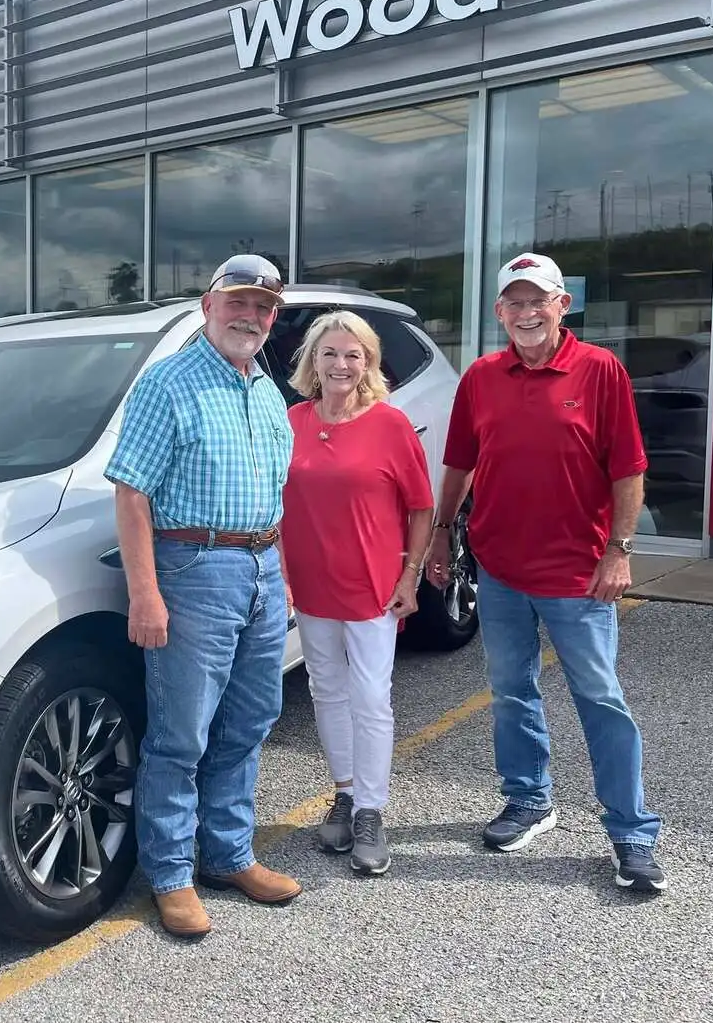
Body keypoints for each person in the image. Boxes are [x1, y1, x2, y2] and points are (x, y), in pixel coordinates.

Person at [426, 252, 666, 893]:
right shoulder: (481, 377)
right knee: (511, 691)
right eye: (515, 302)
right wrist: (442, 534)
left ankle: (632, 833)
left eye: (539, 300)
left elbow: (628, 469)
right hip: (500, 570)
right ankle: (529, 800)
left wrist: (619, 550)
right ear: (499, 311)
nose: (527, 312)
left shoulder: (600, 370)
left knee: (601, 699)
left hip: (578, 575)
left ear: (563, 305)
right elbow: (459, 464)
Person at [104, 254, 299, 940]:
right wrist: (145, 593)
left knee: (250, 720)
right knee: (182, 733)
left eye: (263, 307)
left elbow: (277, 494)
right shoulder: (168, 383)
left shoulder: (267, 391)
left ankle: (228, 855)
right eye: (238, 302)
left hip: (262, 567)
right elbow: (132, 492)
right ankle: (169, 875)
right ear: (208, 306)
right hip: (194, 569)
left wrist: (281, 575)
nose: (251, 316)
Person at [277, 310, 434, 876]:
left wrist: (409, 576)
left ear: (368, 362)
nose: (340, 364)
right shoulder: (291, 420)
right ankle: (344, 792)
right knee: (326, 689)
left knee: (370, 696)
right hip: (310, 584)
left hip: (372, 586)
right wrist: (282, 574)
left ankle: (371, 809)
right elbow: (275, 504)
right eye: (329, 353)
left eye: (353, 354)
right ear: (312, 362)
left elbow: (421, 507)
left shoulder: (390, 424)